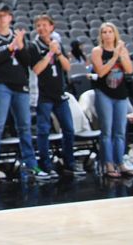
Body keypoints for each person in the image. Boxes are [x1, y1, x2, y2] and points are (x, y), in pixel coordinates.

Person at [0, 4, 51, 186]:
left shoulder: (18, 37)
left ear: (10, 18)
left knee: (25, 128)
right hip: (1, 85)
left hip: (20, 87)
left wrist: (19, 48)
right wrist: (10, 48)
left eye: (6, 16)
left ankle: (31, 165)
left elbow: (28, 63)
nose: (2, 19)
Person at [29, 15, 84, 177]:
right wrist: (49, 54)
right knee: (43, 131)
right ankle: (46, 164)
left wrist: (58, 52)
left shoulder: (57, 43)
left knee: (68, 129)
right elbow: (36, 70)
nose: (42, 28)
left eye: (45, 25)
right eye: (38, 25)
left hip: (60, 94)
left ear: (52, 27)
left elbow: (67, 67)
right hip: (43, 95)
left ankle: (69, 162)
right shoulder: (33, 46)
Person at [90, 22, 133, 178]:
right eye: (104, 32)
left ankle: (120, 162)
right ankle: (108, 163)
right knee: (107, 131)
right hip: (104, 93)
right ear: (101, 35)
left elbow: (129, 70)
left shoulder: (122, 50)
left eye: (110, 32)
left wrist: (121, 55)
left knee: (120, 132)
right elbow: (101, 72)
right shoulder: (97, 51)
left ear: (115, 34)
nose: (108, 34)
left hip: (121, 94)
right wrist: (114, 56)